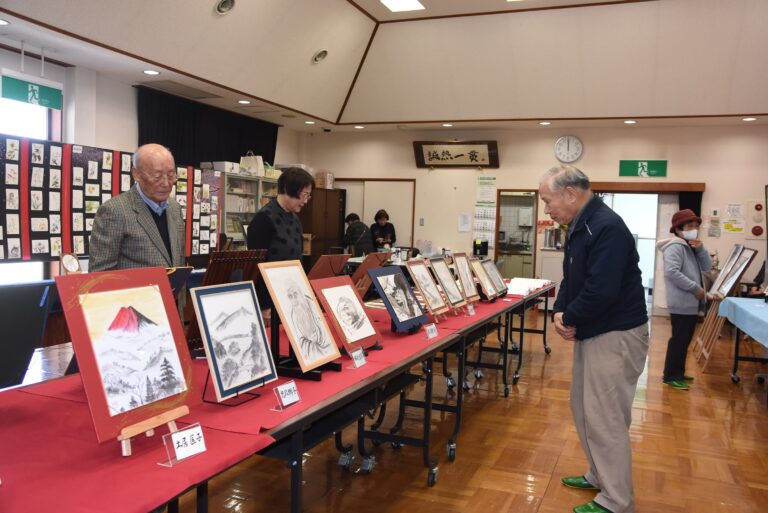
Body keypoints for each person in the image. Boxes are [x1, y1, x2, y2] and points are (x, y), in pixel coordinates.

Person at [539, 165, 649, 513]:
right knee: (582, 407)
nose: (546, 209)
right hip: (595, 329)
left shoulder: (607, 227)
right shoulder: (579, 224)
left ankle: (617, 500)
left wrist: (570, 318)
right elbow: (571, 276)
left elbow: (602, 290)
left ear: (570, 193)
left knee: (606, 417)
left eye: (547, 200)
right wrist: (560, 311)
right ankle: (598, 475)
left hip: (616, 334)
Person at [89, 144, 185, 271]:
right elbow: (100, 275)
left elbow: (178, 264)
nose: (166, 183)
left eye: (171, 175)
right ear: (137, 174)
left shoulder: (174, 208)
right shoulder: (114, 211)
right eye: (157, 176)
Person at [656, 209, 712, 391]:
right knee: (679, 340)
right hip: (682, 302)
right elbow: (672, 272)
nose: (694, 228)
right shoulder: (676, 246)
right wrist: (695, 289)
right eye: (689, 226)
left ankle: (677, 372)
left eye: (696, 225)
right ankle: (671, 376)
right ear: (678, 229)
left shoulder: (690, 246)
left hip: (689, 303)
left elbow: (707, 267)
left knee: (683, 340)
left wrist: (701, 249)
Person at [247, 167, 314, 316]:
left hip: (290, 297)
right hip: (269, 299)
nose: (306, 201)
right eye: (304, 194)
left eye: (308, 196)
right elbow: (256, 266)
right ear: (287, 189)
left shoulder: (295, 219)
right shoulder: (263, 219)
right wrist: (264, 306)